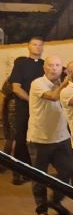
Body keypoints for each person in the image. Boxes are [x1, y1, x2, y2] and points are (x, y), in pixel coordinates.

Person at [27, 55, 73, 215]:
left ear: (62, 68)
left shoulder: (66, 86)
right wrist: (65, 84)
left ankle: (55, 200)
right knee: (39, 176)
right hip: (39, 138)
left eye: (57, 65)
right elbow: (54, 96)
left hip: (61, 137)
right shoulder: (38, 83)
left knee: (68, 170)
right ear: (44, 68)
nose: (54, 68)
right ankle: (42, 210)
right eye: (50, 65)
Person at [8, 36, 45, 185]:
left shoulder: (45, 65)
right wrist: (32, 101)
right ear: (29, 47)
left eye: (40, 45)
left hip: (42, 110)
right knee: (21, 138)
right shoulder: (21, 64)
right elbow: (16, 88)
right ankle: (17, 171)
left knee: (38, 139)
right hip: (24, 108)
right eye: (35, 44)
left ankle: (33, 171)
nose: (38, 47)